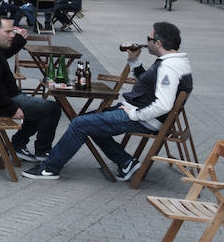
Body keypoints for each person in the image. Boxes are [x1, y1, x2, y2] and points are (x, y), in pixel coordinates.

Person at [24, 22, 192, 180]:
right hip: (140, 113)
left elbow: (163, 105)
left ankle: (50, 168)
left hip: (145, 119)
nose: (145, 42)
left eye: (149, 39)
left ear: (158, 43)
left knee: (79, 124)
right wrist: (133, 60)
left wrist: (135, 114)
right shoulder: (173, 62)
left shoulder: (168, 68)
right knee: (89, 121)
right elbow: (147, 84)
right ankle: (126, 163)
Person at [0, 14, 62, 162]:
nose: (12, 35)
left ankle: (18, 145)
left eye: (12, 31)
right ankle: (42, 151)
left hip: (3, 99)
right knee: (52, 109)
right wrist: (11, 109)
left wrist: (20, 40)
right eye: (8, 32)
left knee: (40, 108)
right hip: (1, 102)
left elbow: (4, 54)